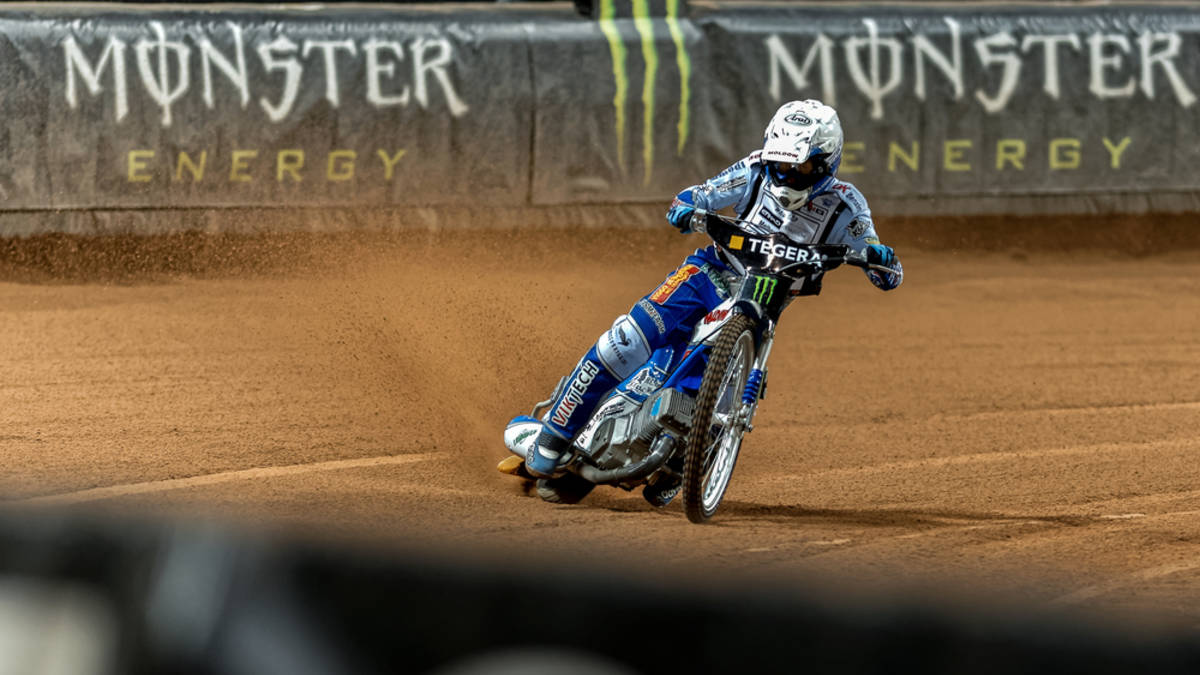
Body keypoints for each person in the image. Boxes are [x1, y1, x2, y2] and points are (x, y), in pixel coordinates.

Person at [521, 99, 903, 483]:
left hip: (763, 300)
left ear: (825, 163)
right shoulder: (755, 168)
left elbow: (882, 266)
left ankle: (680, 457)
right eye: (780, 162)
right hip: (708, 273)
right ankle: (554, 434)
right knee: (626, 339)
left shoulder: (847, 204)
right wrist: (687, 205)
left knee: (722, 396)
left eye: (799, 167)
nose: (786, 175)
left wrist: (879, 259)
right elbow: (701, 194)